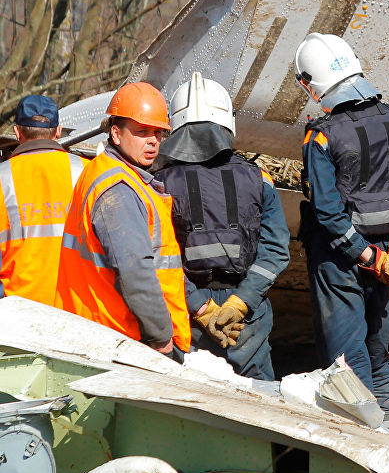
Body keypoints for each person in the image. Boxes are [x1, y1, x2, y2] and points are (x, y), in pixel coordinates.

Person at [295, 32, 389, 431]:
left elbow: (328, 212)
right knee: (375, 350)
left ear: (310, 83)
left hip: (341, 262)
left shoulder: (322, 135)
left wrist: (367, 257)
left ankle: (366, 439)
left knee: (346, 358)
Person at [158, 73, 290, 379]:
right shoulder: (259, 179)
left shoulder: (158, 185)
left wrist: (202, 308)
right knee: (260, 397)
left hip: (187, 311)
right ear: (228, 122)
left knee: (187, 393)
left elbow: (159, 256)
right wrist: (240, 303)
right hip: (247, 315)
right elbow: (276, 251)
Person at [56, 83, 191, 357]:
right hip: (121, 337)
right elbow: (135, 270)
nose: (152, 140)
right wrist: (160, 335)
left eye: (157, 133)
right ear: (116, 134)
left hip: (103, 329)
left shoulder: (104, 171)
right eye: (142, 132)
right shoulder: (118, 189)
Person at [0, 95, 86, 304]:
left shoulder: (2, 177)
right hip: (78, 308)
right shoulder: (87, 171)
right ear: (58, 131)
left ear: (17, 132)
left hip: (19, 310)